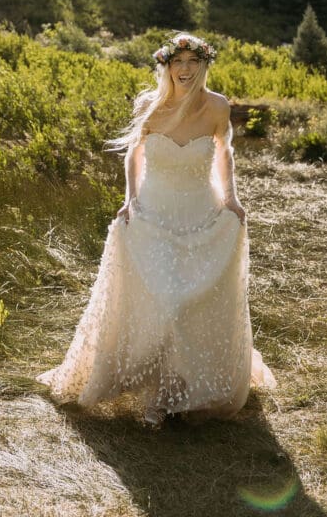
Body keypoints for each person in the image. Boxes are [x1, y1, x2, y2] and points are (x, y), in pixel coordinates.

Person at [37, 32, 276, 427]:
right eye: (177, 63)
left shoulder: (217, 107)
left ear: (203, 65)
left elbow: (224, 153)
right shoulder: (149, 105)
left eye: (192, 63)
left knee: (190, 305)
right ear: (165, 66)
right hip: (156, 212)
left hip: (200, 212)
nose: (185, 70)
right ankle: (155, 389)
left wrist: (231, 199)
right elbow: (135, 153)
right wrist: (131, 199)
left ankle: (178, 390)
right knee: (165, 302)